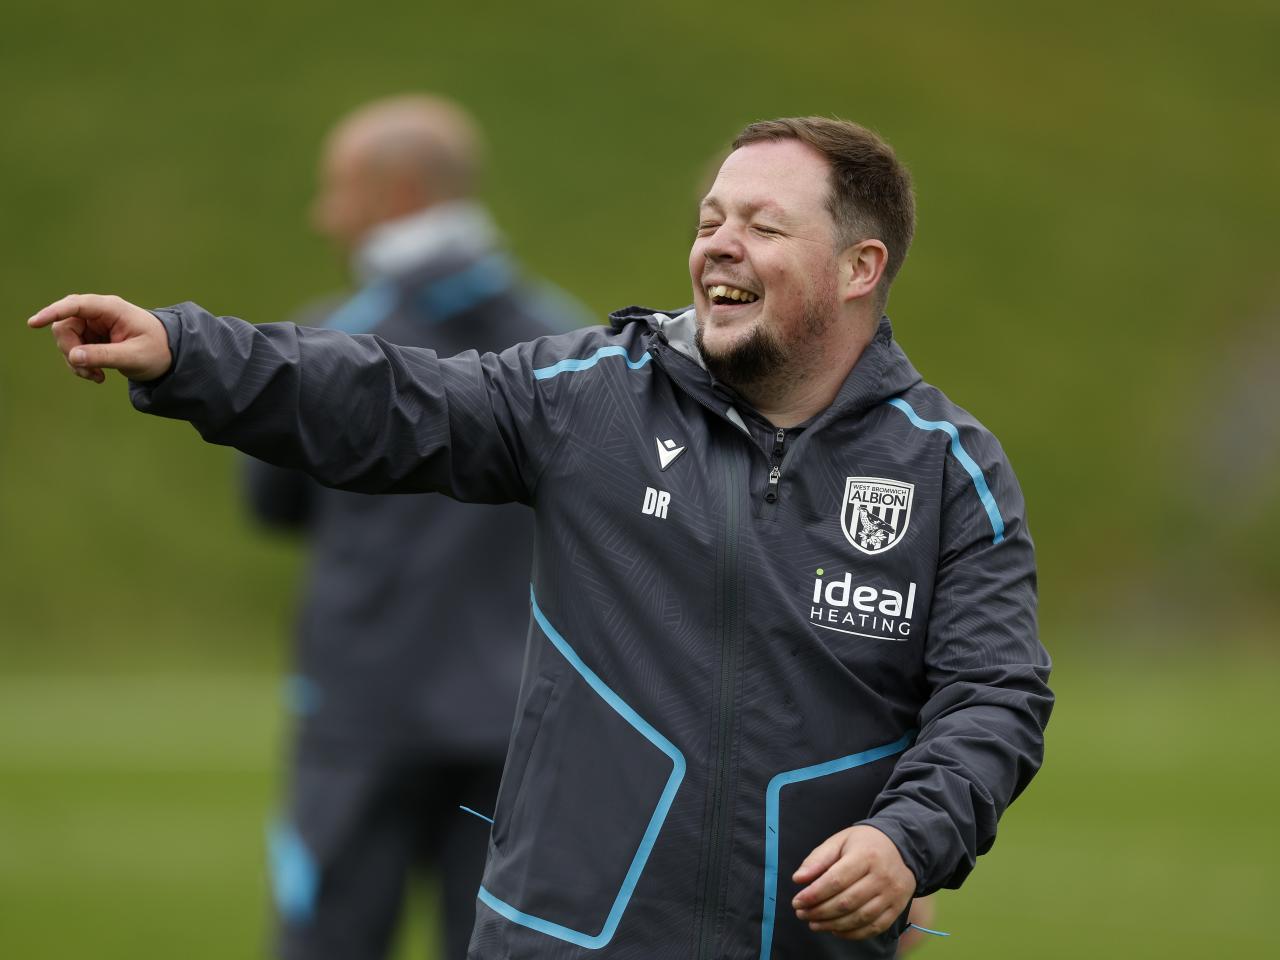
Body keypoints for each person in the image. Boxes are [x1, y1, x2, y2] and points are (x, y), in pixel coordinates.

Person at [30, 116, 1053, 959]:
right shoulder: (592, 397)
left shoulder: (947, 470)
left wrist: (905, 839)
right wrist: (187, 354)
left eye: (762, 225)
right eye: (710, 220)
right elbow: (390, 398)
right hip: (564, 939)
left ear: (859, 267)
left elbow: (994, 696)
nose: (718, 243)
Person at [256, 94, 587, 960]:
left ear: (397, 190)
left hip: (362, 715)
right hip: (514, 716)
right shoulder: (567, 341)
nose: (322, 214)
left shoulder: (334, 340)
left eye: (338, 188)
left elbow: (272, 501)